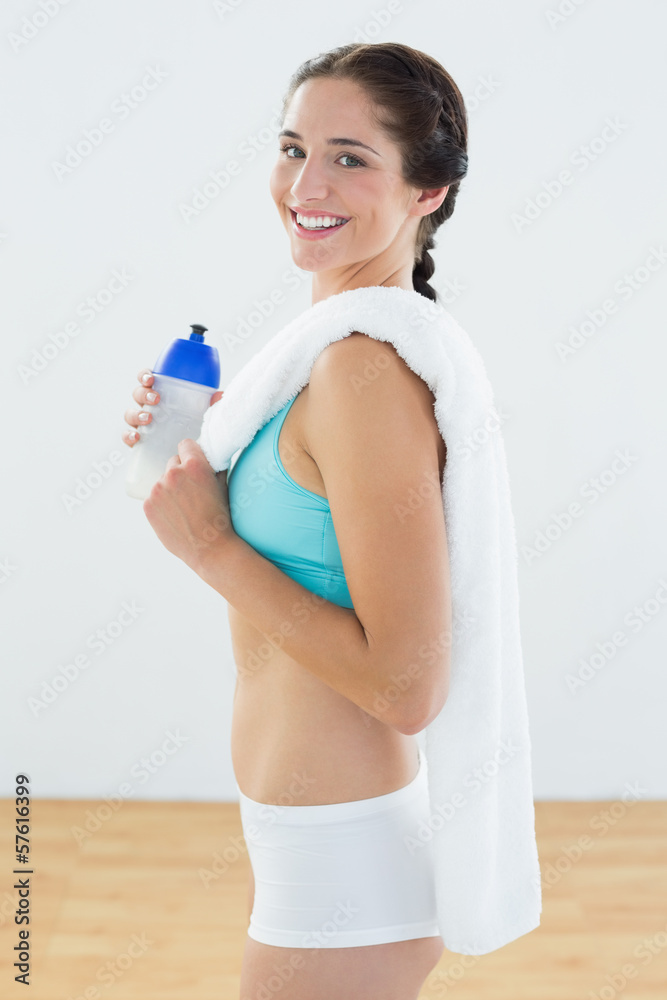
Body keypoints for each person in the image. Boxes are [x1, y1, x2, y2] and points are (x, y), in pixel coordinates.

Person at [122, 41, 468, 1000]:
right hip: (313, 841)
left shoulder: (361, 371)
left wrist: (210, 544)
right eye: (292, 148)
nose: (306, 184)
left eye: (350, 157)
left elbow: (407, 687)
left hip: (345, 863)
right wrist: (217, 446)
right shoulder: (321, 363)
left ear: (427, 190)